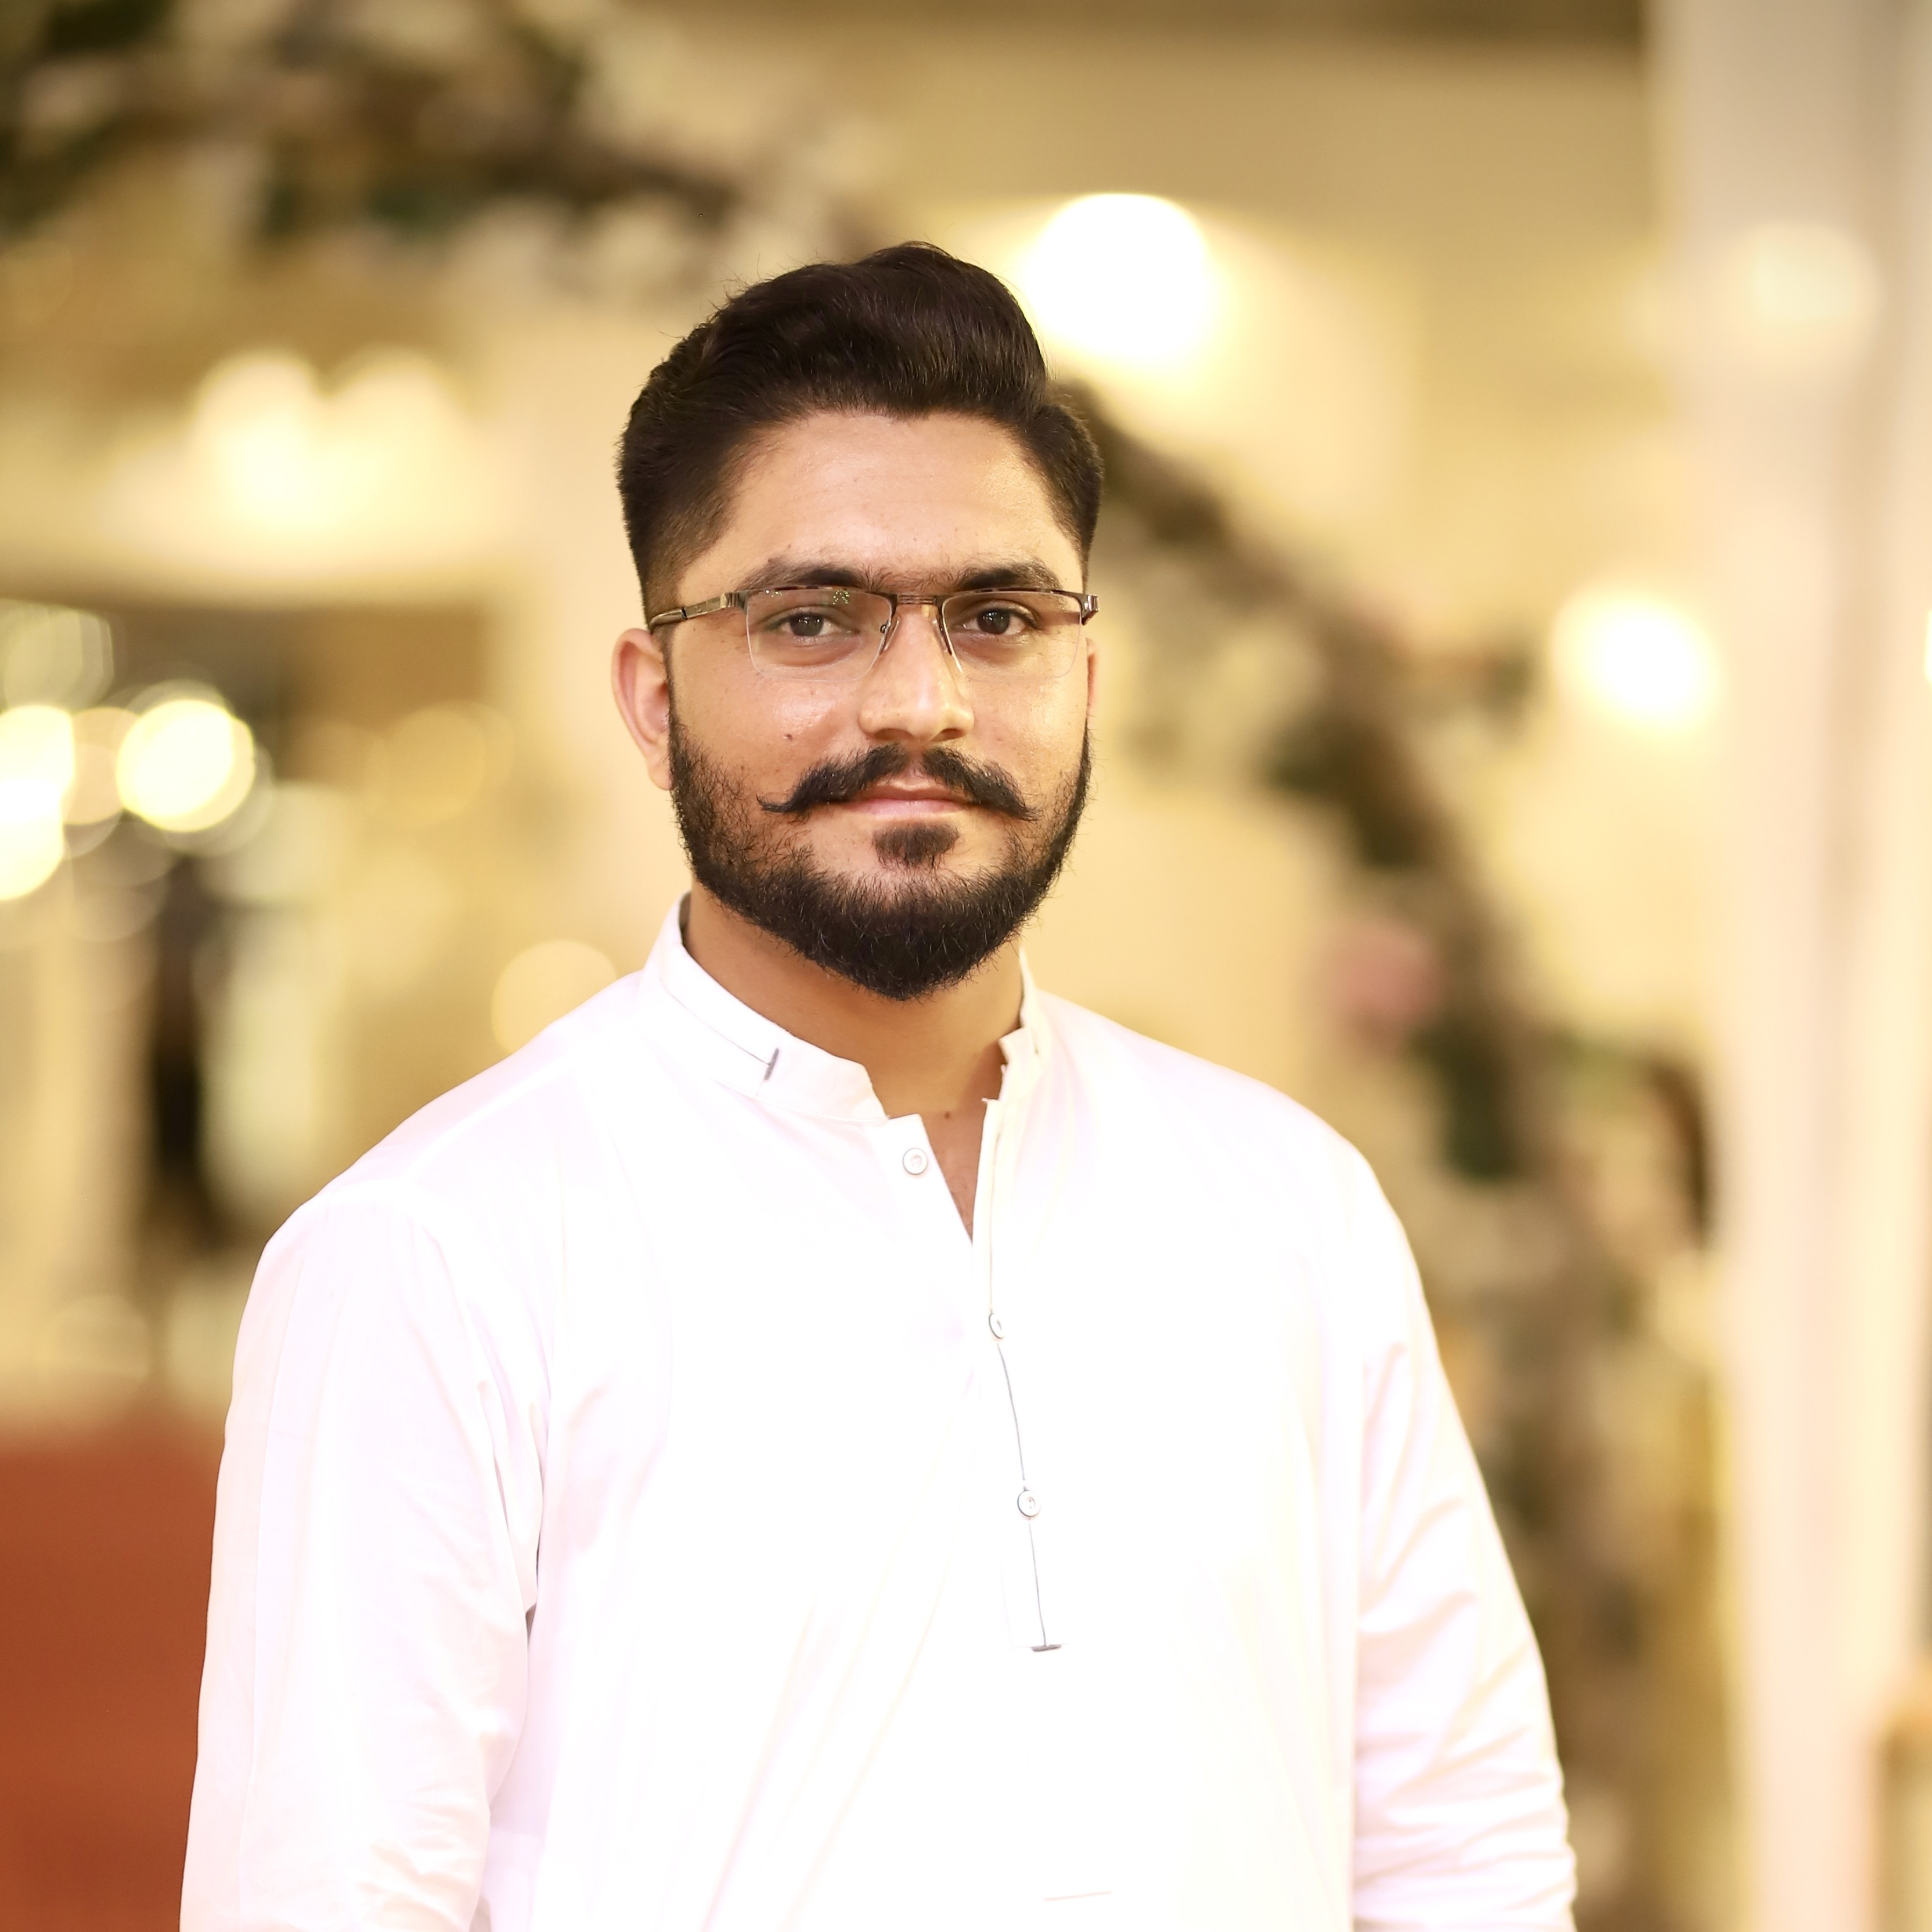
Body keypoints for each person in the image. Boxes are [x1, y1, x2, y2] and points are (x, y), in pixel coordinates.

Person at [183, 244, 1574, 1931]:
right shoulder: (437, 1254)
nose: (919, 705)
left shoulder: (1288, 1204)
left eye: (998, 619)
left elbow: (1462, 1850)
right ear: (653, 698)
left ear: (1084, 678)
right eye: (811, 620)